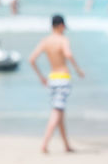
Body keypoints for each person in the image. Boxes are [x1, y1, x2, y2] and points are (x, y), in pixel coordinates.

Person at [29, 15, 85, 154]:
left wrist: (41, 77)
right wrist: (78, 69)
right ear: (60, 26)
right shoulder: (63, 40)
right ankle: (45, 143)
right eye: (64, 26)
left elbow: (32, 59)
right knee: (57, 111)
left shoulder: (45, 41)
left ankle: (66, 145)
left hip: (52, 78)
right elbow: (68, 54)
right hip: (63, 78)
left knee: (59, 111)